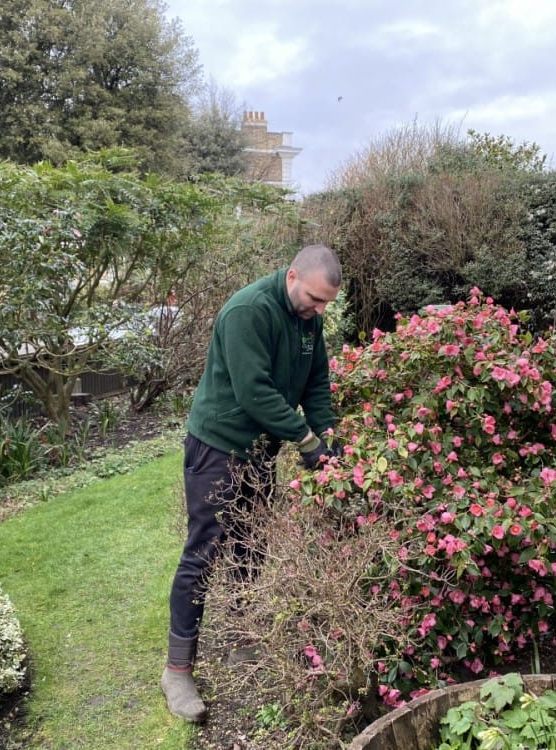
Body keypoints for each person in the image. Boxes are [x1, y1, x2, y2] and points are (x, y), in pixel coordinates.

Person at [160, 244, 343, 722]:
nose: (319, 310)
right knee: (204, 552)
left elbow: (316, 384)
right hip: (219, 445)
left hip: (260, 449)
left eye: (326, 303)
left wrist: (330, 437)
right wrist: (304, 439)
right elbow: (254, 391)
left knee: (252, 546)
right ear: (291, 276)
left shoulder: (309, 321)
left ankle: (245, 639)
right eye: (314, 298)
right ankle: (177, 671)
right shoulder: (248, 311)